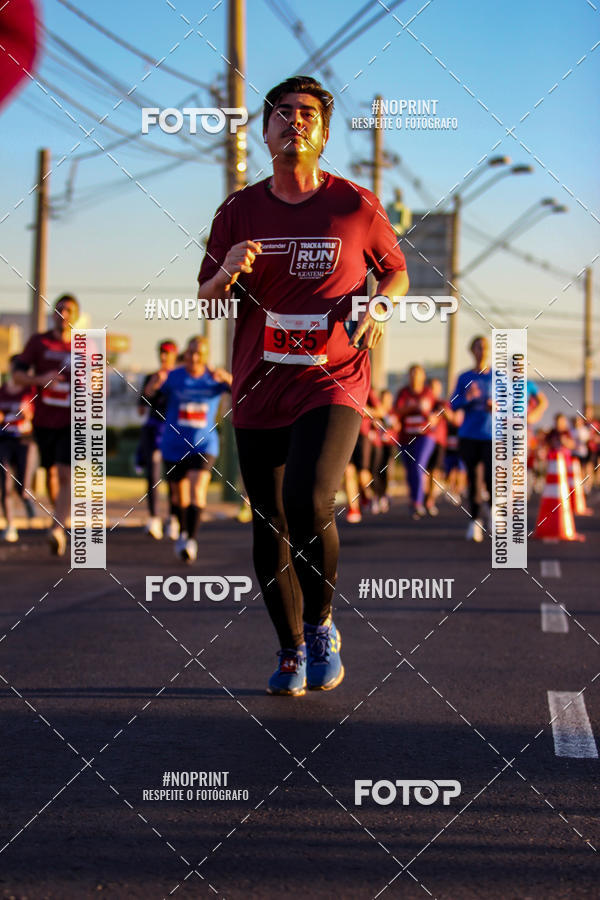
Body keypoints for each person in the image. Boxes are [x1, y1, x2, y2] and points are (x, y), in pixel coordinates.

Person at [197, 75, 409, 696]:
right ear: (265, 132)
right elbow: (207, 300)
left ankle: (321, 627)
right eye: (282, 113)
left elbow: (395, 274)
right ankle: (289, 648)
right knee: (267, 523)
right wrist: (227, 273)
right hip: (260, 384)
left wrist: (380, 307)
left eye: (308, 114)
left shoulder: (354, 205)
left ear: (322, 132)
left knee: (310, 499)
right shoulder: (238, 210)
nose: (295, 122)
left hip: (334, 378)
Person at [145, 336, 231, 563]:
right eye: (191, 352)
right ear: (186, 353)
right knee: (178, 495)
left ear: (206, 356)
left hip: (204, 444)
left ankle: (191, 539)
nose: (194, 357)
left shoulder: (213, 379)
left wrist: (227, 378)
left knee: (197, 488)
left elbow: (241, 389)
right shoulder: (174, 376)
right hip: (173, 445)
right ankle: (183, 532)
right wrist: (154, 383)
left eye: (199, 353)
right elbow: (148, 397)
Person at [14, 294, 79, 556]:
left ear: (75, 316)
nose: (64, 314)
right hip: (44, 420)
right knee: (52, 475)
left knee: (65, 473)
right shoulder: (38, 342)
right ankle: (59, 516)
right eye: (60, 309)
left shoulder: (84, 346)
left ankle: (56, 528)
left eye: (69, 310)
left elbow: (100, 383)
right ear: (54, 313)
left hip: (72, 421)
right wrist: (42, 379)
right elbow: (17, 376)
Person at [451, 335, 492, 542]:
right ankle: (475, 521)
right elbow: (453, 404)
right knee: (474, 480)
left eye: (485, 347)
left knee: (492, 478)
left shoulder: (498, 377)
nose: (481, 351)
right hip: (469, 434)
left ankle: (494, 514)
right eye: (477, 347)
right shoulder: (464, 377)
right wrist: (467, 398)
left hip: (492, 435)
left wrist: (498, 406)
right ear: (472, 351)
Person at [137, 339, 178, 540]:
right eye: (161, 352)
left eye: (168, 352)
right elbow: (141, 408)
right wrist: (152, 386)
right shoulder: (151, 377)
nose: (164, 356)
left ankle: (173, 518)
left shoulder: (179, 377)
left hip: (174, 430)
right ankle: (154, 517)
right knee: (153, 473)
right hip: (153, 429)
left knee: (173, 476)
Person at [0, 356, 36, 541]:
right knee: (5, 482)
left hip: (24, 441)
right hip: (4, 440)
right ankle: (10, 525)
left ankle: (26, 499)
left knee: (22, 485)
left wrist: (29, 413)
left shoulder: (30, 392)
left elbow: (37, 416)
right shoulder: (2, 391)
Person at [394, 365, 436, 520]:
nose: (415, 377)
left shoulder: (428, 393)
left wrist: (434, 416)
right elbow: (396, 411)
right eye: (412, 374)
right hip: (406, 437)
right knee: (410, 469)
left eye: (418, 374)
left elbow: (439, 408)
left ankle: (419, 502)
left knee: (419, 465)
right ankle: (414, 500)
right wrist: (411, 407)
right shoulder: (403, 393)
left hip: (425, 436)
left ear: (423, 376)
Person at [424, 377, 453, 516]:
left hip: (439, 441)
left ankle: (430, 500)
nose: (434, 391)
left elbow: (452, 418)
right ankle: (422, 497)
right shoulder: (424, 403)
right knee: (424, 471)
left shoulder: (442, 403)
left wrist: (443, 411)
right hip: (424, 439)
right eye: (431, 388)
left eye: (436, 388)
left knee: (435, 471)